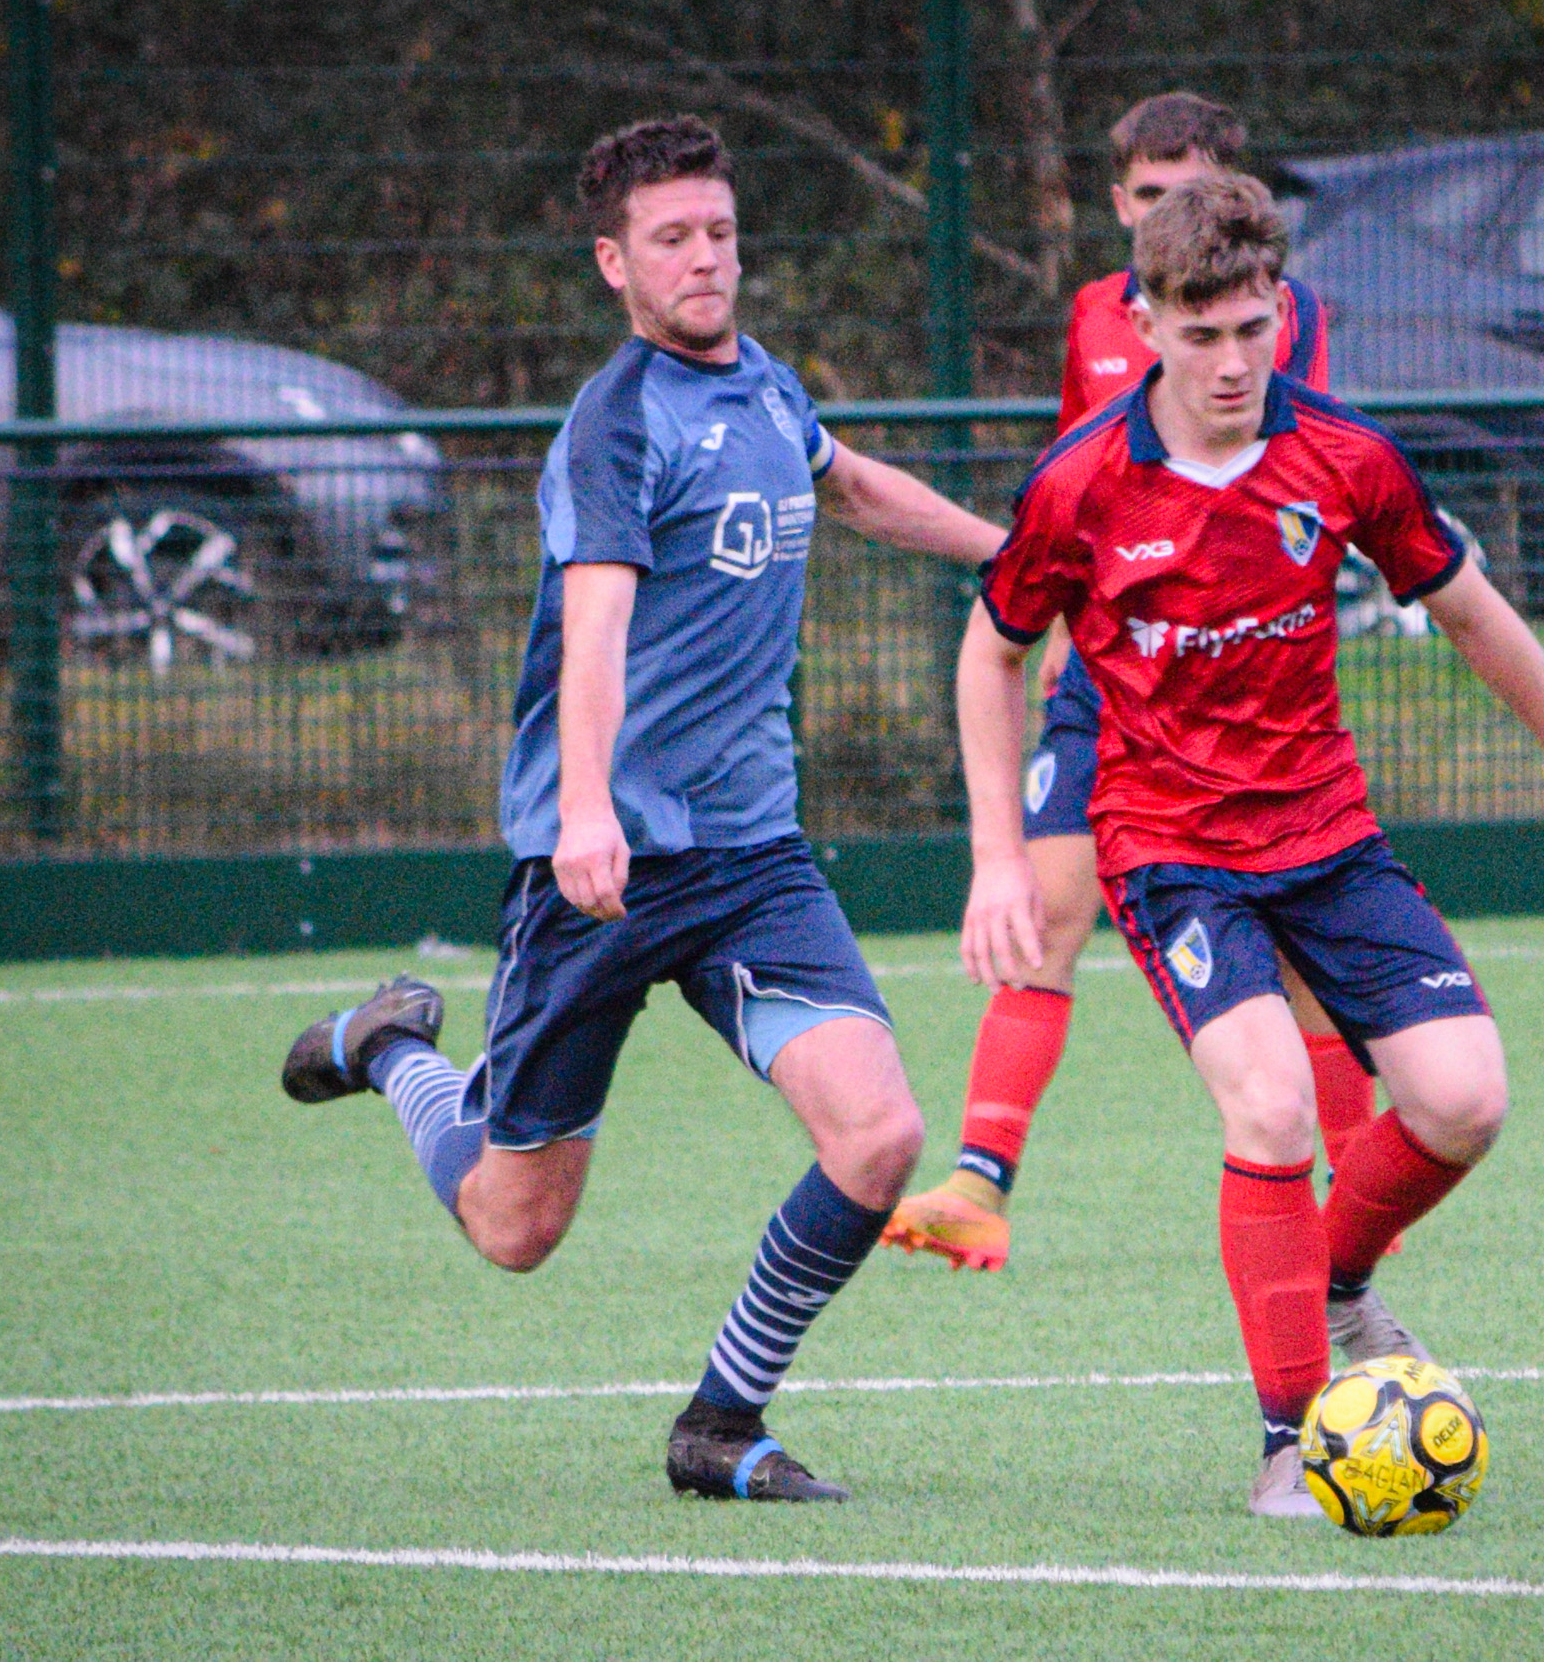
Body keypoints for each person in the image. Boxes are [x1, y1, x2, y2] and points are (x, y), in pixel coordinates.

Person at [277, 116, 1003, 1504]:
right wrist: (589, 809)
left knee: (880, 1134)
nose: (705, 259)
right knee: (513, 1224)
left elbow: (851, 489)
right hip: (599, 864)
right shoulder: (619, 421)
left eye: (720, 232)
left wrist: (1019, 555)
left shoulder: (771, 391)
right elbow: (595, 628)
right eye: (672, 238)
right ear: (616, 262)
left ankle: (721, 1424)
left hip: (751, 859)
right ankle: (393, 1050)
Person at [956, 175, 1544, 1517]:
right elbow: (992, 651)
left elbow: (1473, 612)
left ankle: (1339, 1279)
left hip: (1329, 835)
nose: (1233, 361)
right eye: (1203, 332)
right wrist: (1002, 851)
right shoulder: (1082, 484)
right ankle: (1289, 1438)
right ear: (1148, 323)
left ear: (1280, 311)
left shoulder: (1346, 457)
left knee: (1465, 1101)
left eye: (1253, 327)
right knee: (1276, 1103)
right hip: (1170, 850)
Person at [881, 90, 1383, 1288]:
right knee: (1048, 910)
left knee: (1303, 950)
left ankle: (1363, 1202)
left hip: (1232, 683)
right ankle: (979, 1181)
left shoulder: (1273, 321)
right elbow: (1084, 465)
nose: (1172, 214)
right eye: (1151, 196)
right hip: (1106, 668)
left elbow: (1268, 470)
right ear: (1119, 205)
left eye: (1194, 192)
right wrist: (1062, 610)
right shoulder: (1092, 319)